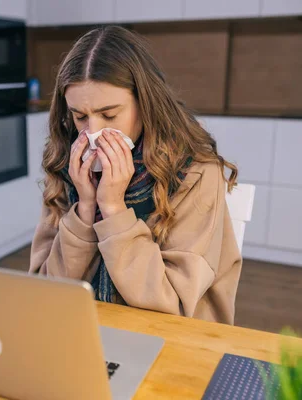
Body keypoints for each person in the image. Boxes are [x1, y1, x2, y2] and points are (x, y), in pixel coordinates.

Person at [29, 26, 242, 325]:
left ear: (145, 103)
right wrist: (85, 209)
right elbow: (44, 290)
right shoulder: (69, 168)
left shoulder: (195, 172)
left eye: (110, 115)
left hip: (173, 339)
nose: (93, 133)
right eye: (80, 117)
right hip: (85, 332)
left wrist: (114, 209)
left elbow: (174, 305)